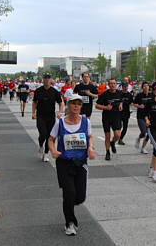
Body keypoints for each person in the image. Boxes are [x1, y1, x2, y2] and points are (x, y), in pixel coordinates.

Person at [48, 94, 95, 236]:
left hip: (80, 163)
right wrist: (53, 151)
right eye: (73, 103)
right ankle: (70, 223)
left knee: (79, 197)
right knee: (69, 193)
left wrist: (90, 147)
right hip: (64, 163)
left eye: (78, 104)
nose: (76, 106)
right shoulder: (60, 122)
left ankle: (68, 205)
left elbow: (90, 137)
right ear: (68, 105)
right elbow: (51, 139)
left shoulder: (86, 122)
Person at [32, 73, 63, 162]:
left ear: (51, 80)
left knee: (50, 136)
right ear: (43, 79)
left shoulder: (54, 91)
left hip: (51, 117)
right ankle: (41, 145)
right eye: (45, 78)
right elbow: (34, 102)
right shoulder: (38, 91)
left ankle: (45, 154)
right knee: (43, 134)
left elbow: (60, 103)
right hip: (40, 116)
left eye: (48, 78)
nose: (46, 80)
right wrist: (33, 113)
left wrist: (60, 113)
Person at [96, 79, 123, 161]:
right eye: (111, 83)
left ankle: (113, 143)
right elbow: (96, 105)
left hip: (116, 117)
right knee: (107, 136)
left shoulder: (119, 93)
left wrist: (121, 105)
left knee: (117, 135)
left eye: (114, 83)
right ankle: (107, 152)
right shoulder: (105, 94)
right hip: (106, 117)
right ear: (108, 84)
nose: (112, 85)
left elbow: (121, 101)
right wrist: (105, 107)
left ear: (116, 84)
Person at [133, 81, 153, 154]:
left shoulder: (152, 95)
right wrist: (139, 106)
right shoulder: (139, 95)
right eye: (144, 86)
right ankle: (138, 139)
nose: (146, 87)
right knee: (144, 132)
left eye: (147, 86)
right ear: (142, 87)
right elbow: (133, 104)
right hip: (141, 116)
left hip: (149, 116)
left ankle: (143, 148)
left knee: (149, 133)